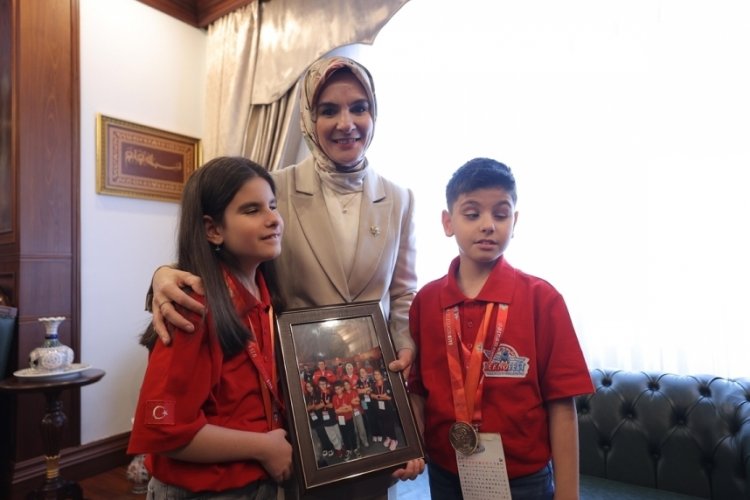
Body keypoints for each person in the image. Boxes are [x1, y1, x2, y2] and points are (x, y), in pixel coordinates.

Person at [145, 56, 425, 495]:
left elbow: (404, 291)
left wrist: (404, 345)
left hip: (370, 385)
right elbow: (219, 254)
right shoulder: (274, 189)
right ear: (309, 119)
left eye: (359, 107)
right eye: (328, 110)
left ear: (374, 113)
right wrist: (163, 274)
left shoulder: (400, 198)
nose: (346, 123)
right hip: (294, 391)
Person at [407, 158, 594, 500]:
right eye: (472, 213)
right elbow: (418, 391)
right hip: (446, 473)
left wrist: (568, 494)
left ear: (514, 221)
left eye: (501, 214)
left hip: (524, 481)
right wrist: (409, 448)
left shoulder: (542, 299)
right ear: (448, 222)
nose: (488, 225)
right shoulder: (426, 301)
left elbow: (562, 405)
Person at [127, 157, 293, 499]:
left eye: (273, 206)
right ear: (213, 230)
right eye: (252, 210)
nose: (273, 219)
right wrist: (263, 446)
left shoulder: (265, 296)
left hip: (256, 483)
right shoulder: (192, 308)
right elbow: (162, 430)